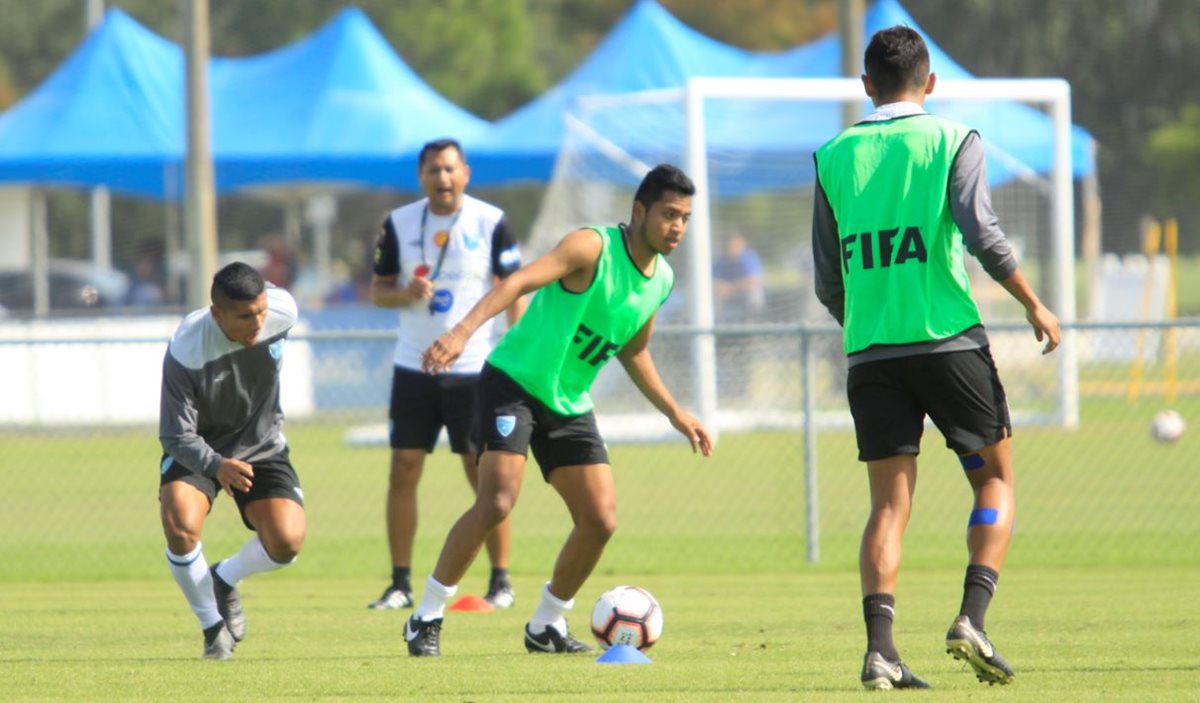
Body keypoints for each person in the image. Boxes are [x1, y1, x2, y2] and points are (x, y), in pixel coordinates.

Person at [811, 26, 1062, 690]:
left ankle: (880, 651)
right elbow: (982, 233)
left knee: (888, 508)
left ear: (866, 86)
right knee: (994, 481)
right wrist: (1034, 302)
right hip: (948, 343)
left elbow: (826, 280)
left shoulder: (832, 154)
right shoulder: (953, 137)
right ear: (930, 82)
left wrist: (868, 322)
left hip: (871, 357)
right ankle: (972, 616)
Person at [405, 163, 714, 657]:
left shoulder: (662, 280)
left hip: (569, 402)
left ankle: (546, 623)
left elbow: (634, 351)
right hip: (514, 382)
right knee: (498, 501)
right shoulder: (591, 247)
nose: (677, 227)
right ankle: (426, 615)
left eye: (685, 218)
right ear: (639, 211)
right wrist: (461, 333)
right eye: (668, 214)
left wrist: (676, 412)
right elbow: (518, 282)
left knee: (600, 519)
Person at [367, 137, 525, 611]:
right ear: (421, 176)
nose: (443, 178)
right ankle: (399, 583)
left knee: (484, 474)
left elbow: (515, 287)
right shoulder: (398, 223)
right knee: (404, 469)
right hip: (412, 365)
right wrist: (405, 292)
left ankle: (500, 581)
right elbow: (378, 291)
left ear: (466, 173)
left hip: (473, 367)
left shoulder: (491, 221)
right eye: (434, 170)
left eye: (450, 169)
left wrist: (515, 348)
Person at [158, 262, 306, 660]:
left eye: (260, 310)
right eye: (244, 316)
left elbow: (268, 303)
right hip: (200, 447)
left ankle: (224, 577)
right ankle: (212, 627)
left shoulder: (282, 310)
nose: (258, 322)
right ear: (217, 314)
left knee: (287, 543)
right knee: (179, 523)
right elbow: (174, 435)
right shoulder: (188, 347)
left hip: (262, 445)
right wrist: (215, 465)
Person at [712, 233, 765, 322]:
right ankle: (720, 325)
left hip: (743, 293)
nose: (733, 250)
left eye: (736, 247)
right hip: (727, 295)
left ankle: (753, 323)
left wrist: (732, 287)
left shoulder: (749, 257)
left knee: (754, 293)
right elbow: (714, 280)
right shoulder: (721, 260)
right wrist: (721, 287)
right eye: (730, 247)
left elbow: (753, 281)